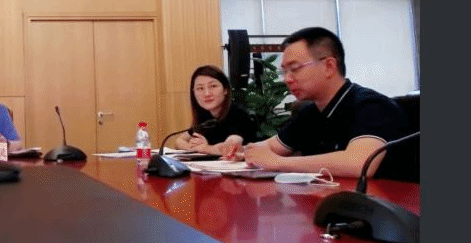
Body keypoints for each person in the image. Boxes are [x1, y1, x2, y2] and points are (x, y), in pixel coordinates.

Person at [243, 27, 410, 178]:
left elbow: (359, 163)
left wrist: (278, 162)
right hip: (329, 197)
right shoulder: (309, 113)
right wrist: (242, 150)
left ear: (329, 66)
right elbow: (268, 148)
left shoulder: (371, 105)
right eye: (284, 71)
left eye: (294, 69)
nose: (287, 79)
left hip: (382, 199)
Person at [175, 65, 257, 158]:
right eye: (200, 88)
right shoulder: (206, 116)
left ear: (225, 89)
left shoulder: (238, 114)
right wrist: (193, 148)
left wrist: (206, 148)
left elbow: (230, 148)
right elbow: (179, 141)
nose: (207, 94)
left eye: (213, 86)